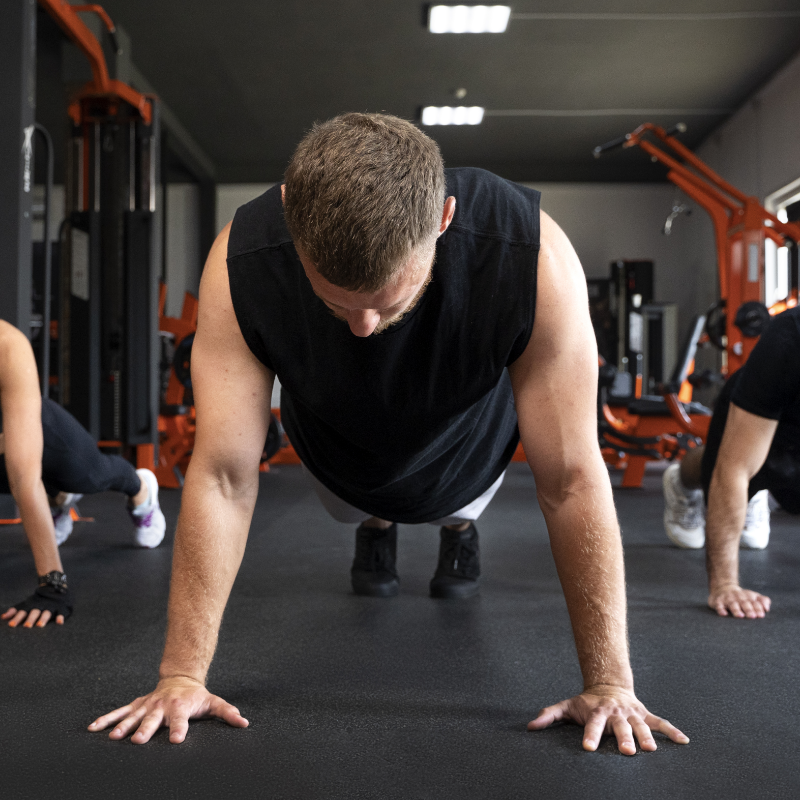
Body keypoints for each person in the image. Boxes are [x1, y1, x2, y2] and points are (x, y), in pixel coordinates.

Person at [89, 113, 688, 754]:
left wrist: (610, 683)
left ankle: (458, 530)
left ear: (444, 220)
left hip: (465, 451)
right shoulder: (242, 261)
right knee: (360, 507)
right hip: (335, 451)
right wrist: (181, 674)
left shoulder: (531, 256)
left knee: (457, 504)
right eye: (339, 303)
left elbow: (570, 479)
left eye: (389, 303)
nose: (365, 329)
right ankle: (376, 526)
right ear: (293, 223)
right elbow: (223, 475)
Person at [0, 319, 167, 629]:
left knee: (90, 476)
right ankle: (59, 498)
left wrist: (52, 584)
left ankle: (141, 488)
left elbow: (23, 476)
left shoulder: (7, 345)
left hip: (41, 437)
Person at [662, 304, 800, 618]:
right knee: (731, 467)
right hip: (768, 422)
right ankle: (681, 481)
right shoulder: (789, 337)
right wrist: (725, 584)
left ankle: (751, 495)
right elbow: (733, 468)